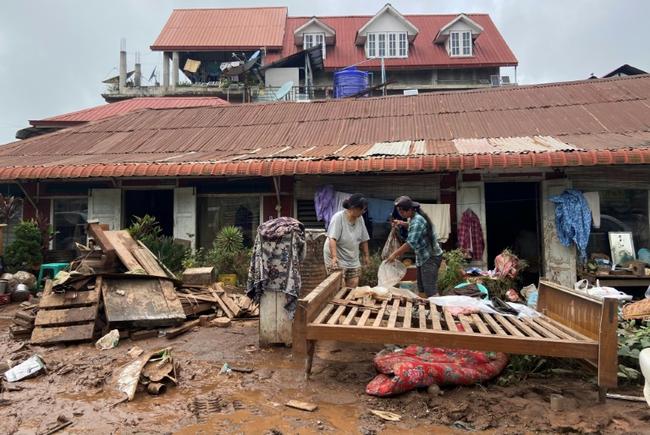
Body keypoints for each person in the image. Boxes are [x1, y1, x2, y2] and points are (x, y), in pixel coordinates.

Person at [387, 196, 444, 297]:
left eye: (402, 211)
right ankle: (424, 308)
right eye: (399, 211)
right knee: (421, 286)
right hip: (422, 257)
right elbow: (412, 225)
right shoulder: (413, 218)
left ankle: (437, 310)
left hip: (430, 257)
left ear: (410, 209)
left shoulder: (417, 221)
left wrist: (394, 255)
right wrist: (402, 223)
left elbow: (410, 243)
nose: (400, 214)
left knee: (430, 289)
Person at [323, 193, 370, 288]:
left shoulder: (360, 219)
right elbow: (332, 238)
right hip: (336, 255)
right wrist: (334, 257)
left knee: (353, 284)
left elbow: (364, 239)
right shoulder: (338, 217)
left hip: (352, 257)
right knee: (339, 286)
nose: (363, 212)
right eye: (362, 210)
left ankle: (348, 302)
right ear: (354, 208)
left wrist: (366, 256)